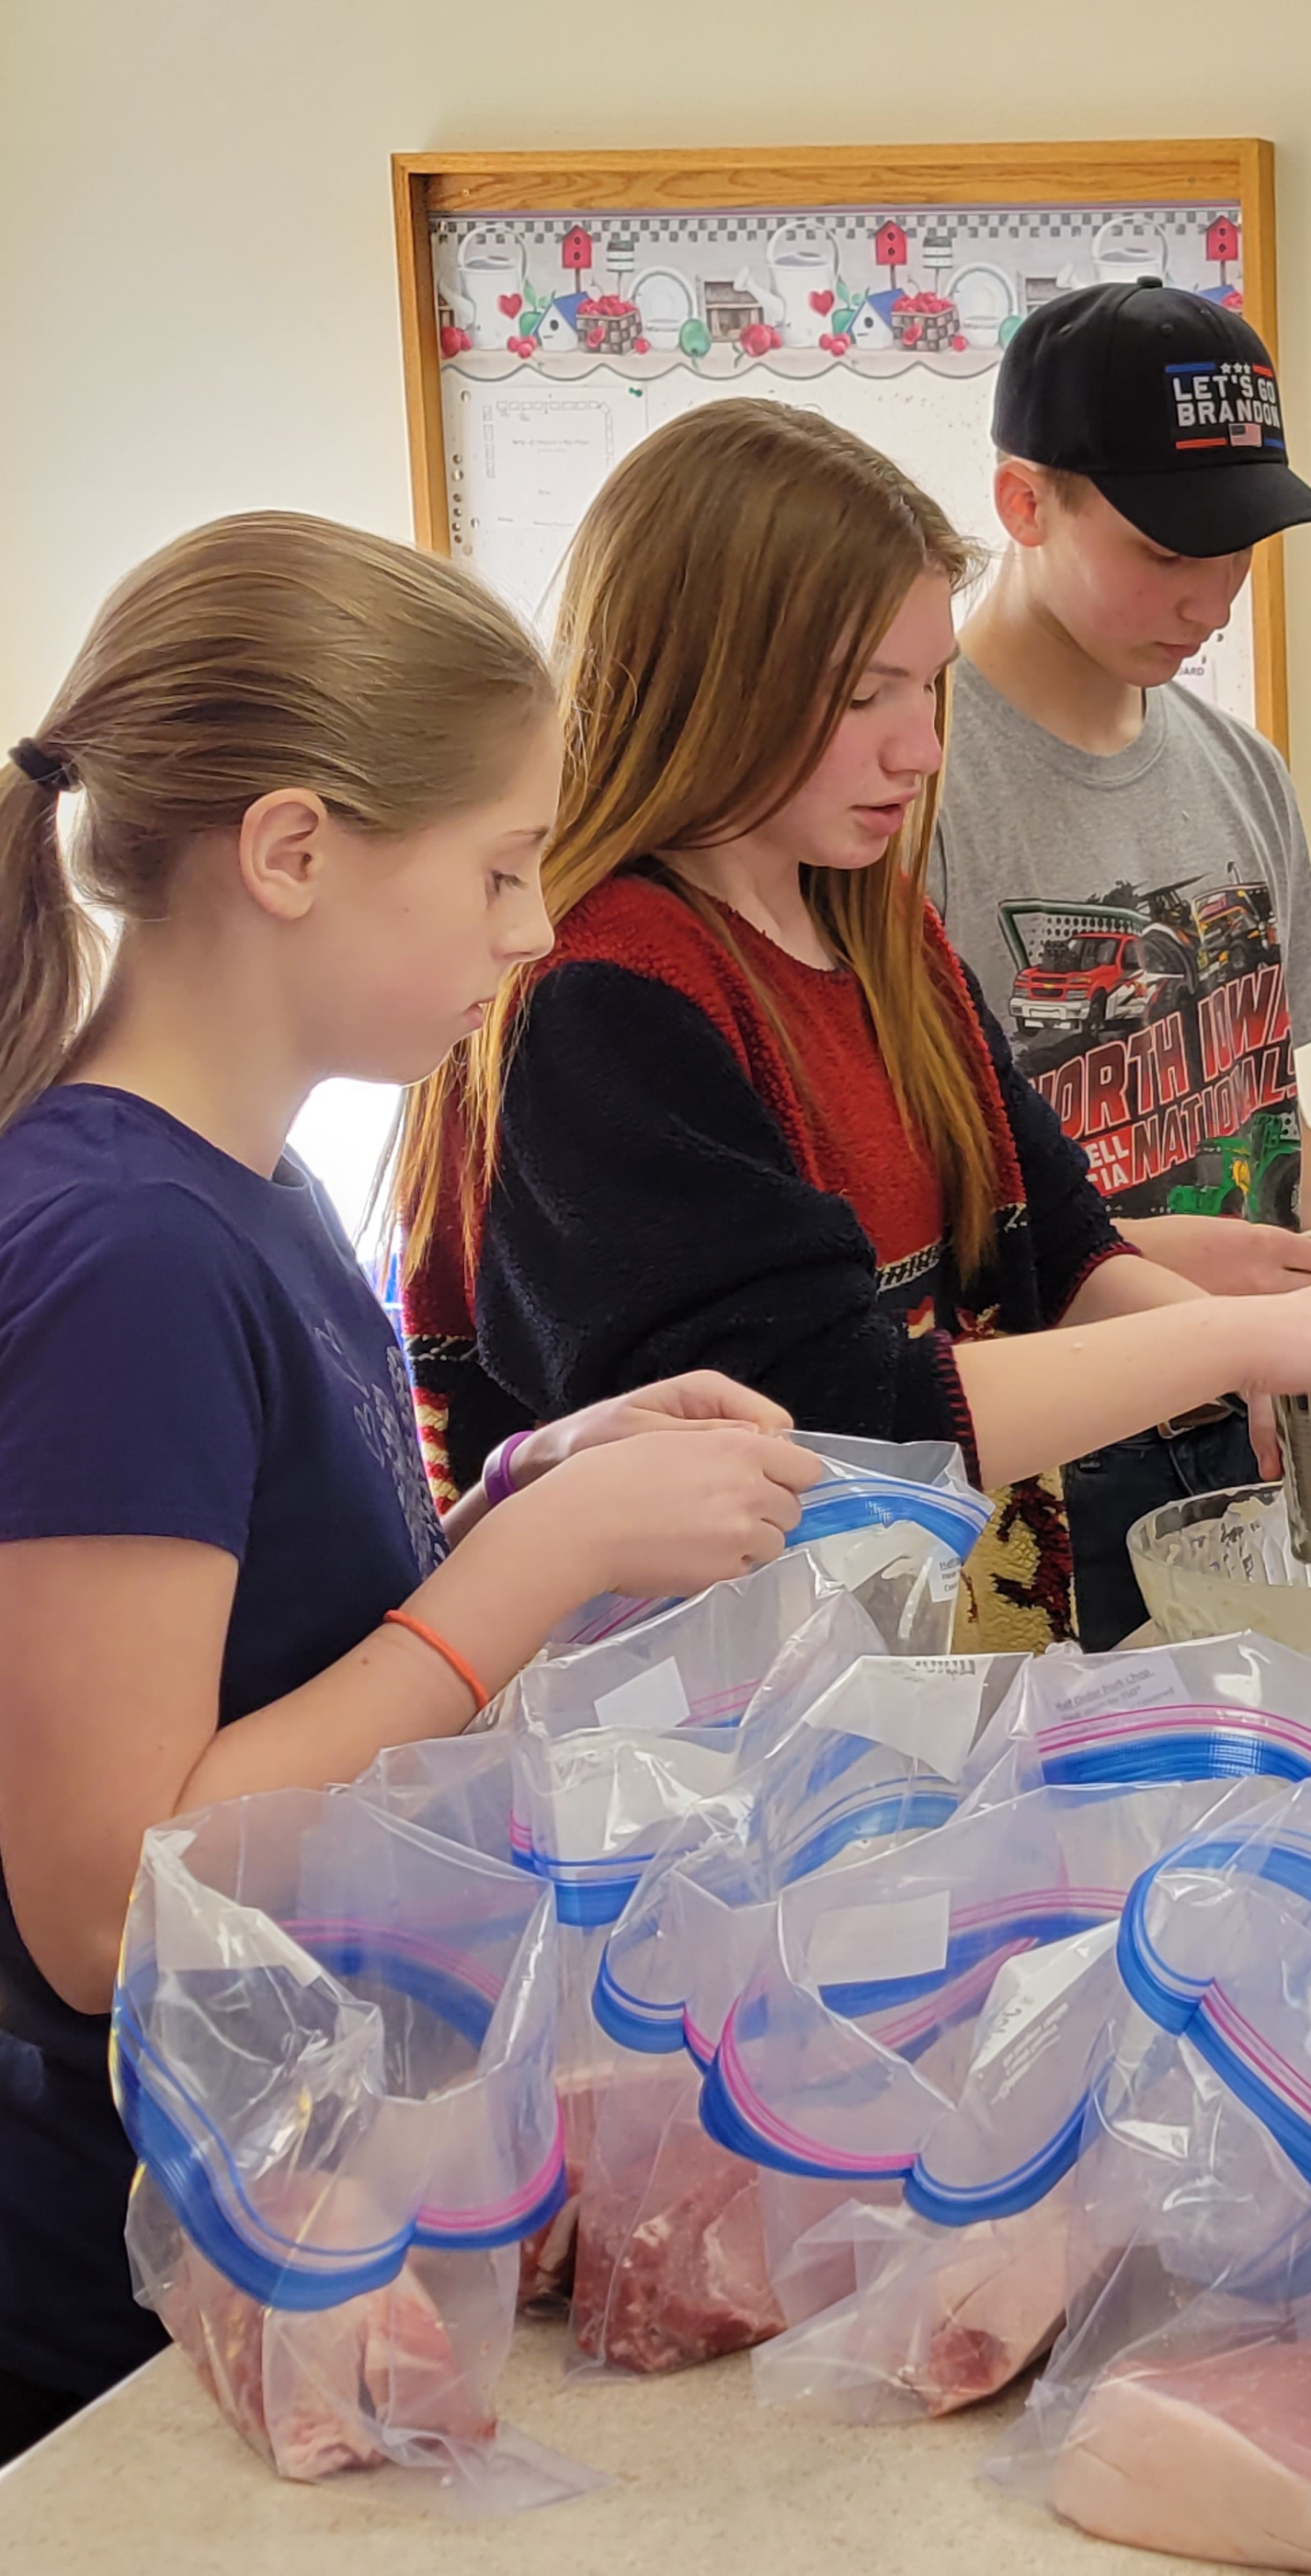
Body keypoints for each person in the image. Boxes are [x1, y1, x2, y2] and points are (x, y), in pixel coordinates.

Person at [0, 516, 827, 2458]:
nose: (536, 927)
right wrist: (530, 1565)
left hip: (293, 2185)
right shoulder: (123, 1248)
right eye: (500, 867)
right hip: (113, 2290)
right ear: (291, 853)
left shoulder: (254, 1187)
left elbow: (273, 1654)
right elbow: (112, 1903)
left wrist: (536, 1481)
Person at [399, 402, 1311, 1651]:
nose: (919, 747)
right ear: (704, 682)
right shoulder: (605, 997)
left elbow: (1054, 1254)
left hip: (907, 1658)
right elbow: (831, 1408)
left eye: (931, 686)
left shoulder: (874, 930)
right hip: (668, 1710)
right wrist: (1251, 1336)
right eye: (862, 697)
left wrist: (1280, 1357)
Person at [926, 280, 1311, 1648]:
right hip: (1055, 1437)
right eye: (1167, 549)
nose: (1211, 601)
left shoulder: (1239, 770)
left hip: (1259, 1415)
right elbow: (909, 1219)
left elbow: (1267, 1102)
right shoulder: (908, 785)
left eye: (1240, 550)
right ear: (1023, 504)